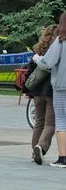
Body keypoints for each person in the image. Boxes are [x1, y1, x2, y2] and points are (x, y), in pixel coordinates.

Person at [38, 12, 66, 168]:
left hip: (62, 86)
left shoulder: (60, 42)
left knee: (62, 121)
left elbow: (47, 62)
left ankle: (63, 158)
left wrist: (36, 59)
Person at [29, 24, 58, 164]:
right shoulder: (58, 49)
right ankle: (41, 146)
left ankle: (34, 151)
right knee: (50, 123)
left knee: (38, 122)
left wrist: (27, 90)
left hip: (37, 91)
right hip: (52, 91)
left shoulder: (38, 49)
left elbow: (29, 70)